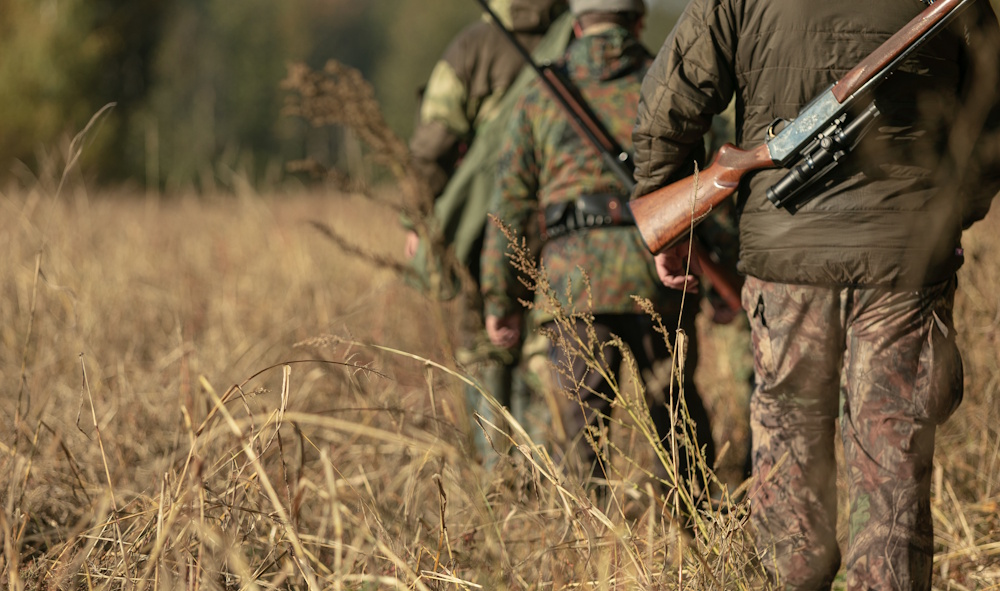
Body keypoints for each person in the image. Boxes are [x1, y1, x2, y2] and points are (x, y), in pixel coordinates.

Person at [632, 0, 1000, 587]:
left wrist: (664, 205)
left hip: (785, 265)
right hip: (904, 260)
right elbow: (990, 120)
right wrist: (952, 214)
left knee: (786, 452)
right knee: (893, 463)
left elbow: (671, 95)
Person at [481, 0, 716, 505]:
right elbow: (709, 189)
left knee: (582, 444)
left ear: (577, 22)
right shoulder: (670, 84)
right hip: (660, 273)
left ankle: (592, 559)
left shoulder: (539, 95)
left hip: (573, 283)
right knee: (676, 422)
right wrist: (723, 276)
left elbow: (509, 210)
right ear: (637, 20)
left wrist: (500, 301)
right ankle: (696, 547)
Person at [404, 0, 573, 460]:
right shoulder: (580, 32)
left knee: (484, 351)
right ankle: (549, 487)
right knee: (550, 357)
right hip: (566, 229)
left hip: (485, 233)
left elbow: (432, 144)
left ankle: (498, 483)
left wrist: (420, 218)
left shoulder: (473, 47)